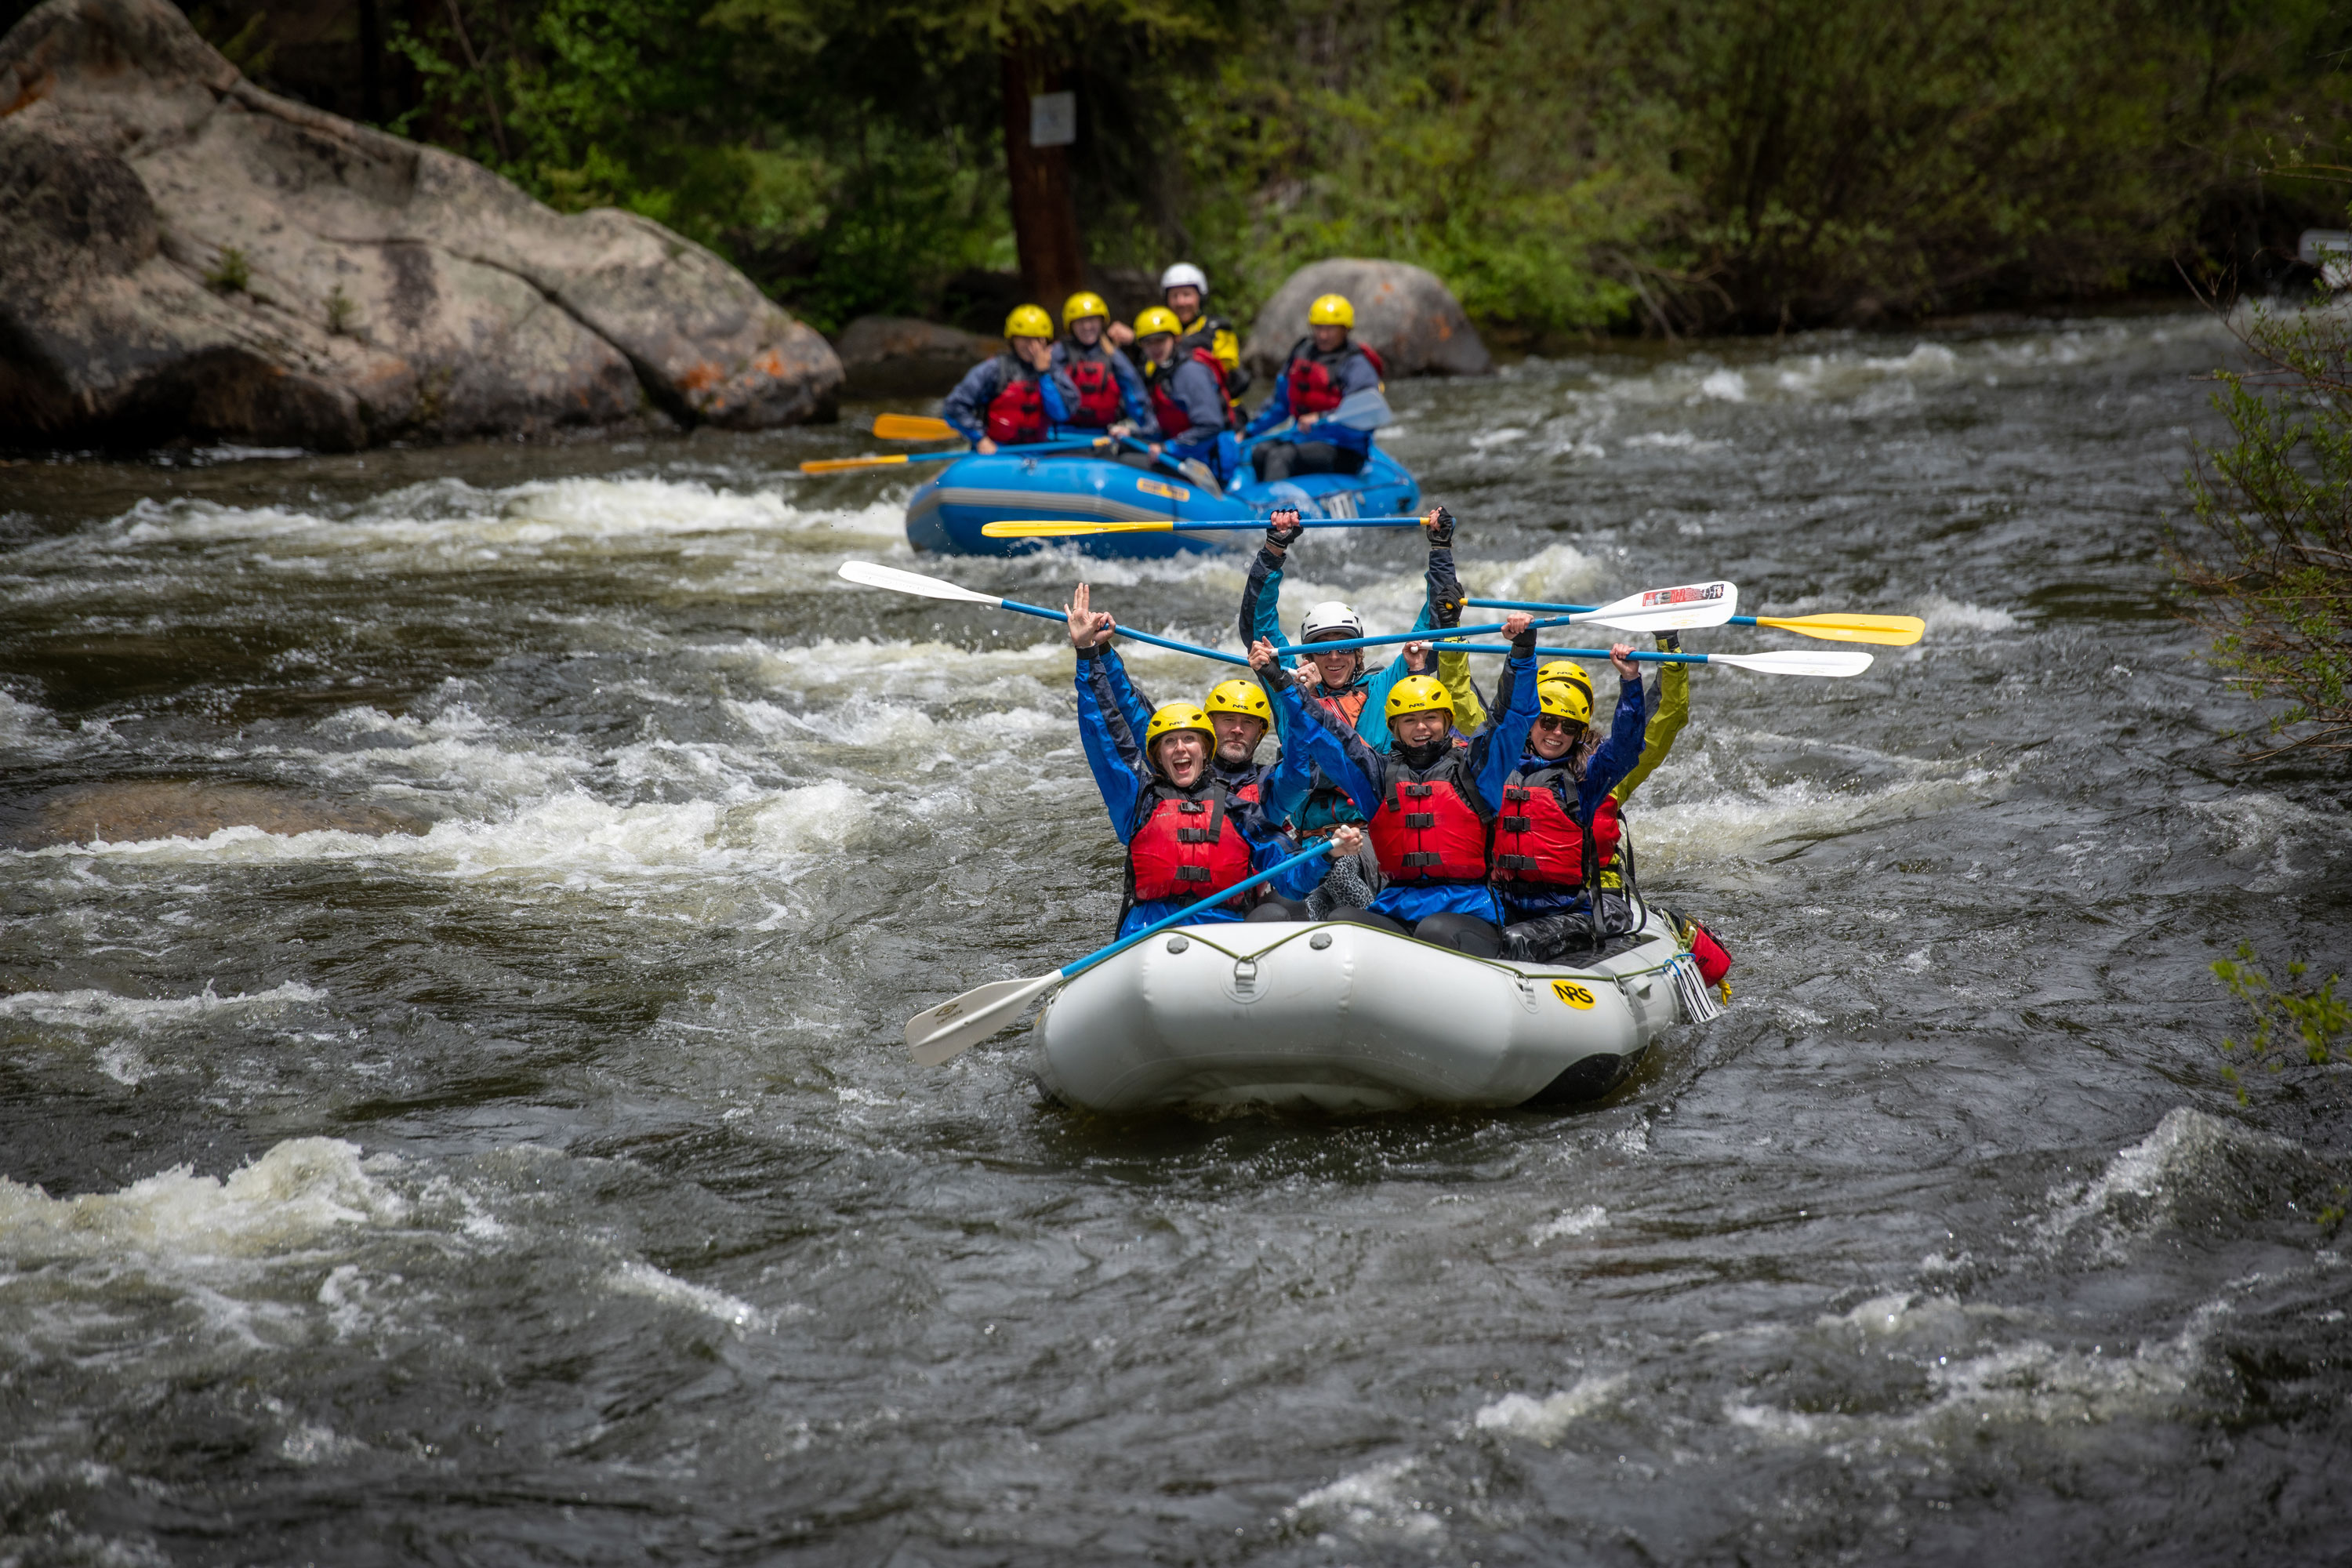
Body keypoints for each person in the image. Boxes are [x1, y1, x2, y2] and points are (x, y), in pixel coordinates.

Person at [1250, 612, 1552, 957]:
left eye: (1430, 718)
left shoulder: (1477, 768)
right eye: (1409, 720)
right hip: (1398, 908)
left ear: (1446, 721)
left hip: (1468, 908)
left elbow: (1513, 717)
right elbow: (1326, 735)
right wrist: (1280, 681)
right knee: (1342, 923)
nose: (1421, 728)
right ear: (1394, 727)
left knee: (1435, 930)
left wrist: (1522, 651)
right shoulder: (1379, 776)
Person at [1068, 585, 1337, 936]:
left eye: (1247, 724)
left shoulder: (1249, 805)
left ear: (1260, 734)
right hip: (1152, 932)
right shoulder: (1143, 797)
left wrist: (1301, 695)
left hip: (1235, 916)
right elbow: (1114, 730)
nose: (1237, 731)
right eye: (1228, 721)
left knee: (1287, 910)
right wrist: (1094, 651)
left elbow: (1302, 770)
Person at [1243, 506, 1489, 848]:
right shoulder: (1290, 688)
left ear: (1359, 652)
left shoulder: (1386, 686)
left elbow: (1437, 619)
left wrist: (1440, 548)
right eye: (1322, 649)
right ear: (1306, 656)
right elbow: (1259, 627)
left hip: (1381, 837)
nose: (1333, 657)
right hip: (1315, 845)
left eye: (1344, 648)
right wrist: (1274, 550)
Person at [1488, 648, 1650, 960]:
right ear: (1531, 722)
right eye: (1547, 722)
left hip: (1569, 909)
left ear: (1578, 734)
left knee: (1516, 940)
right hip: (1504, 900)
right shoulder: (1498, 766)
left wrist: (1629, 680)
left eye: (1569, 727)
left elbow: (1627, 747)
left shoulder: (1585, 780)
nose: (1557, 733)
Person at [1240, 292, 1385, 483]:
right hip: (1304, 440)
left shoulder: (1356, 364)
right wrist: (1248, 432)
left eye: (1330, 329)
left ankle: (1279, 511)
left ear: (1345, 329)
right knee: (1260, 452)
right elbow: (1281, 404)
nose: (1323, 335)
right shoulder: (1303, 354)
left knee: (1281, 457)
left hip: (1344, 450)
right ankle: (1262, 507)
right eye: (1318, 328)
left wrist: (1322, 418)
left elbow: (1364, 415)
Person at [1133, 305, 1239, 488]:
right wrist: (1133, 433)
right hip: (1186, 456)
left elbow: (1210, 425)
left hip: (1210, 466)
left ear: (1175, 339)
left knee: (1128, 463)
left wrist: (1168, 448)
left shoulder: (1190, 372)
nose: (1155, 348)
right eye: (1148, 342)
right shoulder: (1163, 372)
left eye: (1160, 340)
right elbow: (1166, 423)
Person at [943, 305, 1072, 453]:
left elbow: (1061, 415)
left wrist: (1044, 375)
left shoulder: (1054, 372)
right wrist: (980, 438)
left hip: (1038, 451)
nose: (1031, 346)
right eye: (1024, 338)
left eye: (1036, 339)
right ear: (1012, 339)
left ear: (1045, 341)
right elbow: (954, 406)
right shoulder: (993, 369)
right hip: (998, 451)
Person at [1112, 263, 1251, 398]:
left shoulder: (1217, 328)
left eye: (1187, 295)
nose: (1181, 302)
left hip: (1218, 407)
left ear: (1200, 297)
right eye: (1175, 296)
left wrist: (1137, 340)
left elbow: (1198, 350)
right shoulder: (1157, 335)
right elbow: (1147, 374)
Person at [1051, 292, 1155, 442]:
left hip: (1103, 436)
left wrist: (1148, 428)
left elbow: (1135, 395)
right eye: (1081, 321)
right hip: (1062, 434)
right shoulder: (1058, 353)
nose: (1087, 326)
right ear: (1071, 325)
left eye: (1092, 320)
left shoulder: (1114, 356)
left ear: (1102, 322)